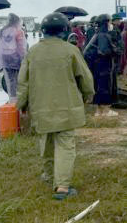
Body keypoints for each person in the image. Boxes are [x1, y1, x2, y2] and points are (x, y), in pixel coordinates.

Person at [17, 12, 94, 200]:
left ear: (43, 31)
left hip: (40, 107)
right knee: (65, 145)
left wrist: (22, 104)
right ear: (64, 30)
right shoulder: (70, 50)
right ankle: (62, 187)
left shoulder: (33, 52)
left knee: (46, 143)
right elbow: (85, 77)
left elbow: (23, 82)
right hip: (66, 107)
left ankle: (49, 177)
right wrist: (88, 95)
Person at [84, 14, 118, 117]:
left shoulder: (97, 34)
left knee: (98, 87)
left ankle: (98, 112)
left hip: (96, 66)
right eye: (110, 22)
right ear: (107, 22)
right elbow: (104, 51)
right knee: (105, 87)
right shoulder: (104, 35)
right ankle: (106, 111)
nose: (111, 24)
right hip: (104, 66)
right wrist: (114, 50)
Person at [0, 13, 28, 104]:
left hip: (4, 58)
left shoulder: (2, 30)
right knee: (20, 78)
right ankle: (21, 98)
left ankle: (12, 99)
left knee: (9, 79)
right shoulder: (18, 31)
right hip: (15, 57)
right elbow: (21, 47)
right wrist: (24, 57)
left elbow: (0, 45)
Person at [109, 15, 125, 100]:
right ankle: (112, 97)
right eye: (118, 20)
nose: (120, 22)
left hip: (116, 56)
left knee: (114, 76)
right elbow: (113, 43)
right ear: (114, 21)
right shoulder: (113, 30)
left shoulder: (115, 29)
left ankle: (113, 96)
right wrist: (118, 51)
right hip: (114, 57)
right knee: (113, 76)